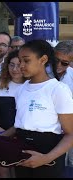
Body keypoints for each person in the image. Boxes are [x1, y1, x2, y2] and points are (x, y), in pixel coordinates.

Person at [2, 39, 73, 178]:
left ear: (43, 59)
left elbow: (71, 134)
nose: (21, 66)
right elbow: (20, 126)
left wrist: (46, 158)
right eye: (20, 60)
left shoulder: (58, 89)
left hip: (48, 156)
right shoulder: (21, 90)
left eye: (26, 61)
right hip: (21, 154)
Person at [0, 50, 26, 178]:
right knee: (2, 171)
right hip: (0, 134)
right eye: (11, 64)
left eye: (19, 64)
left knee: (17, 172)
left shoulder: (30, 86)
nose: (15, 69)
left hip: (21, 136)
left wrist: (12, 133)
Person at [53, 40, 73, 175]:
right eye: (56, 60)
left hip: (68, 130)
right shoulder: (41, 71)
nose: (58, 65)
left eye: (64, 63)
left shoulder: (72, 75)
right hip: (47, 132)